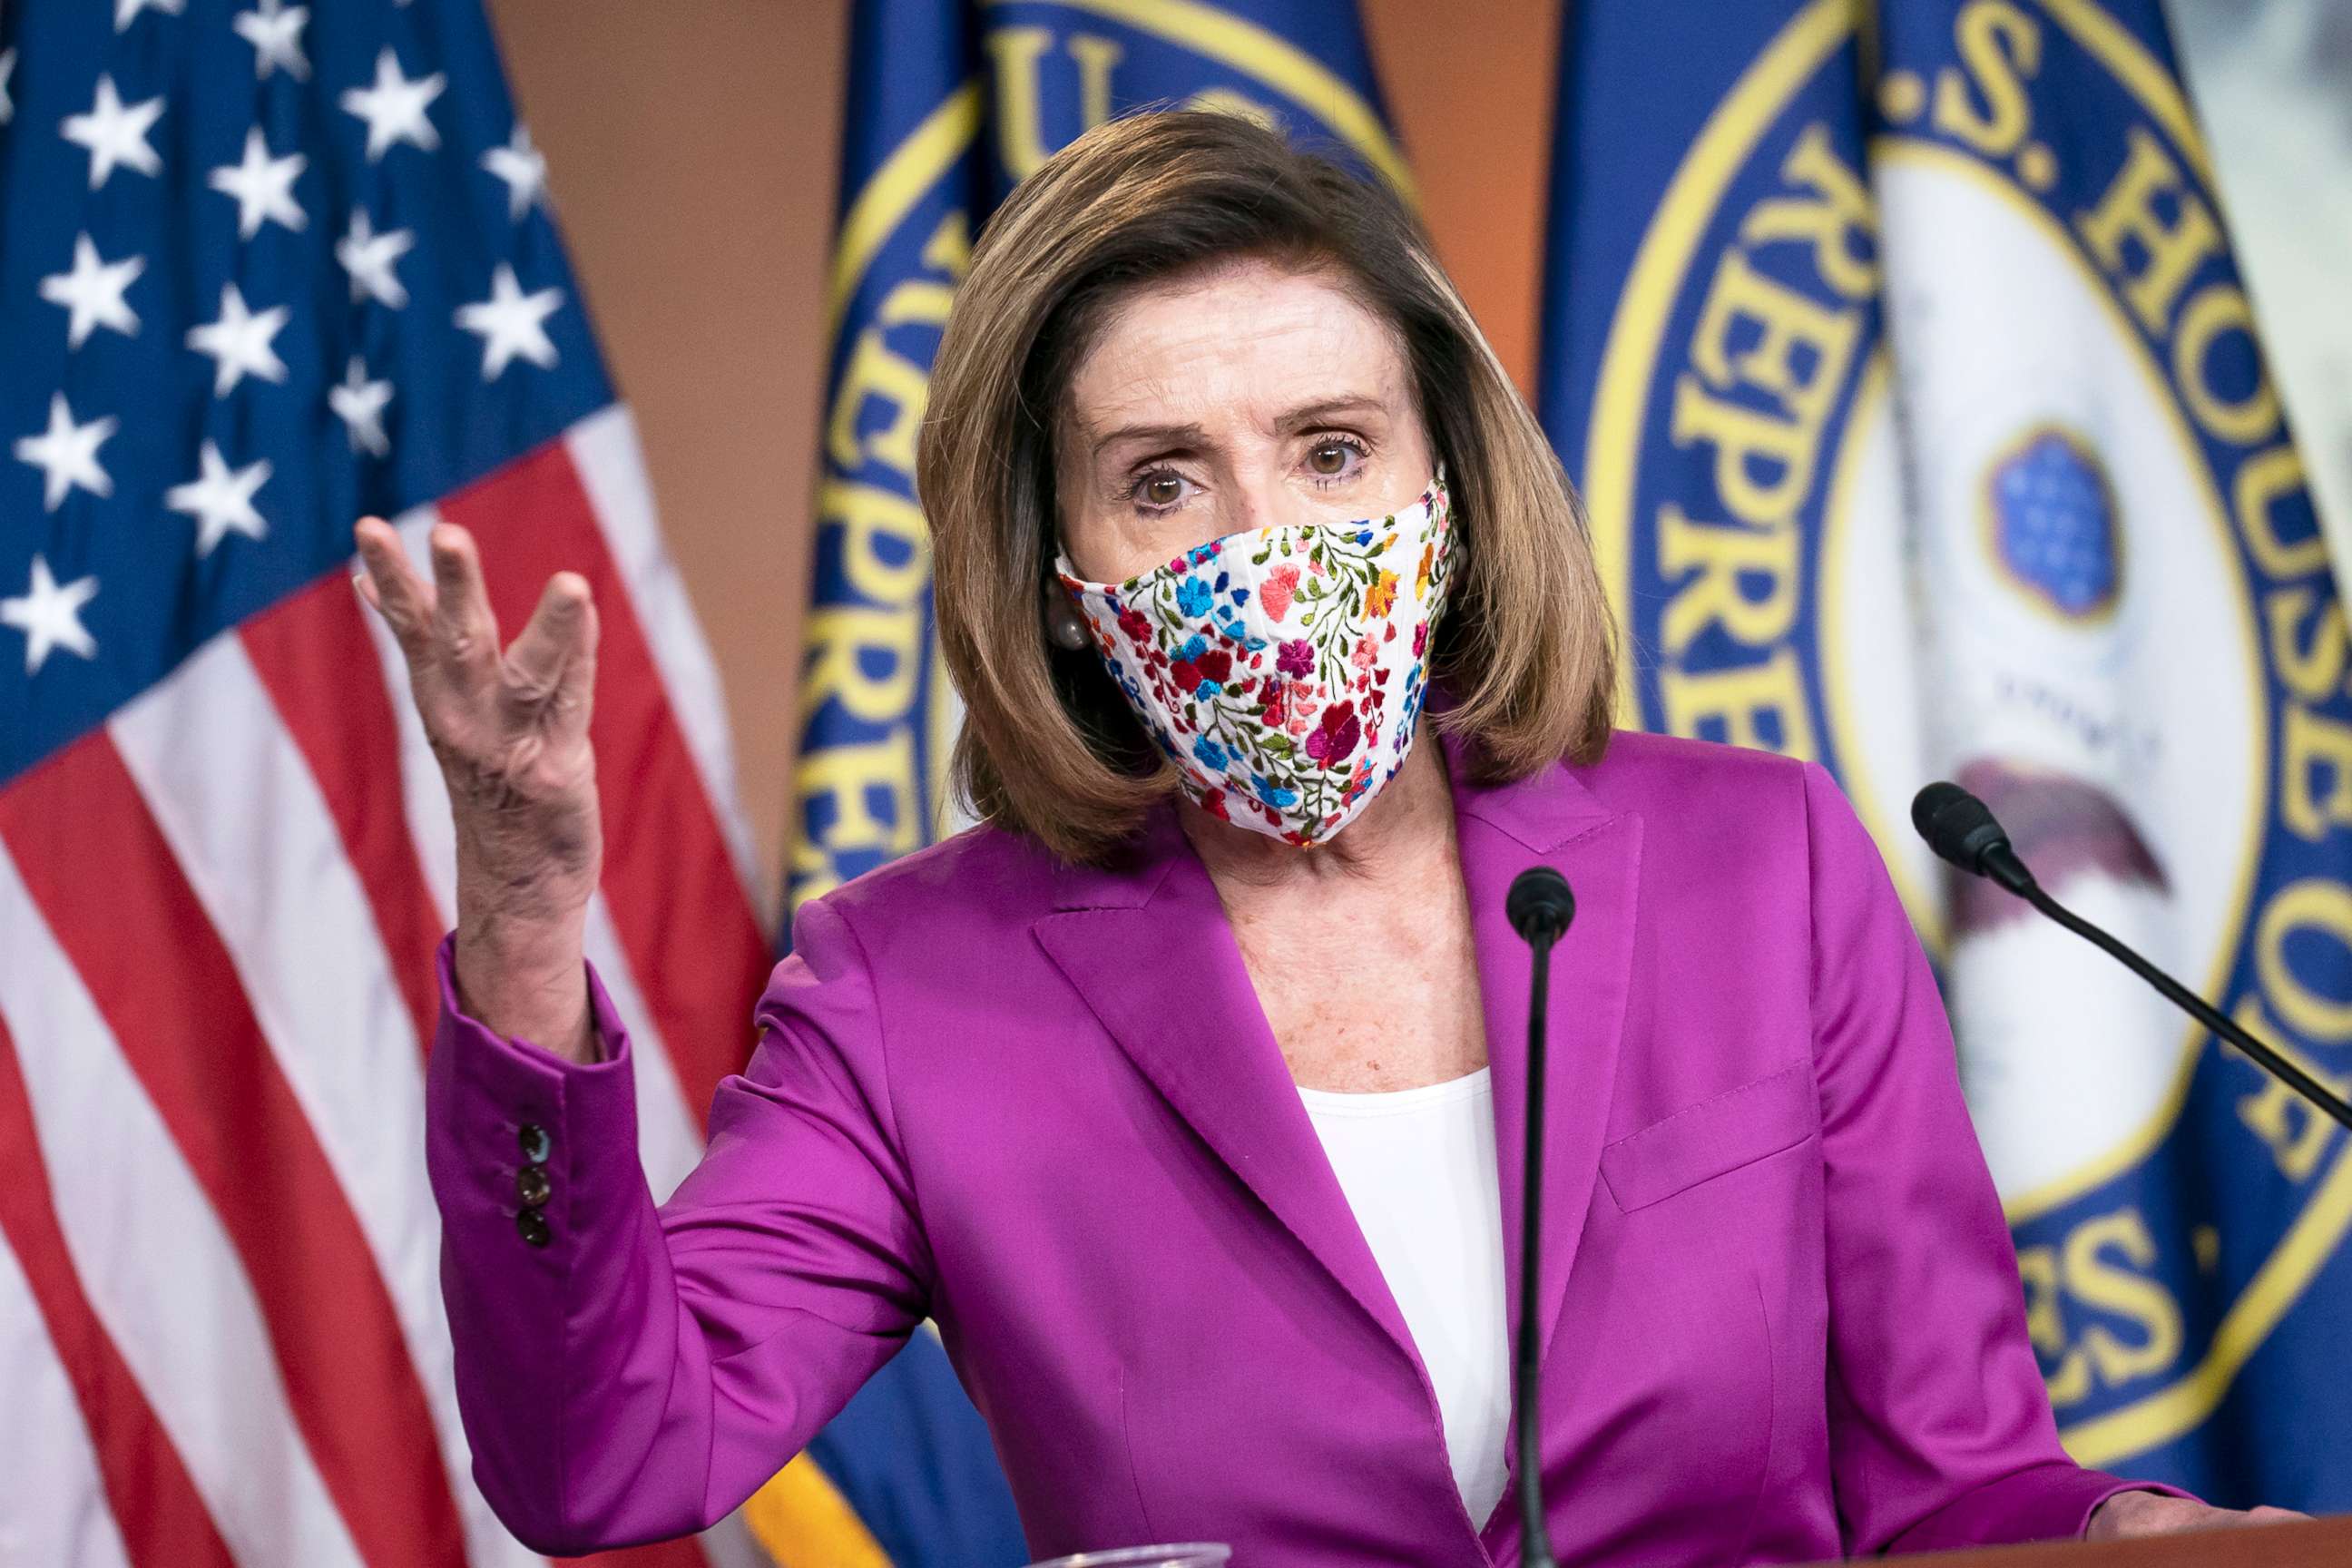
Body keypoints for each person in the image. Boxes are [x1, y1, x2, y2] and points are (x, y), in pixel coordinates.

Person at [354, 110, 2301, 1564]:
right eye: (1162, 481)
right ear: (1056, 578)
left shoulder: (1760, 869)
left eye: (1332, 450)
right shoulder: (908, 994)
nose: (1264, 545)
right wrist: (526, 928)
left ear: (1445, 481)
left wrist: (2115, 1535)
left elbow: (1959, 1486)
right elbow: (608, 1461)